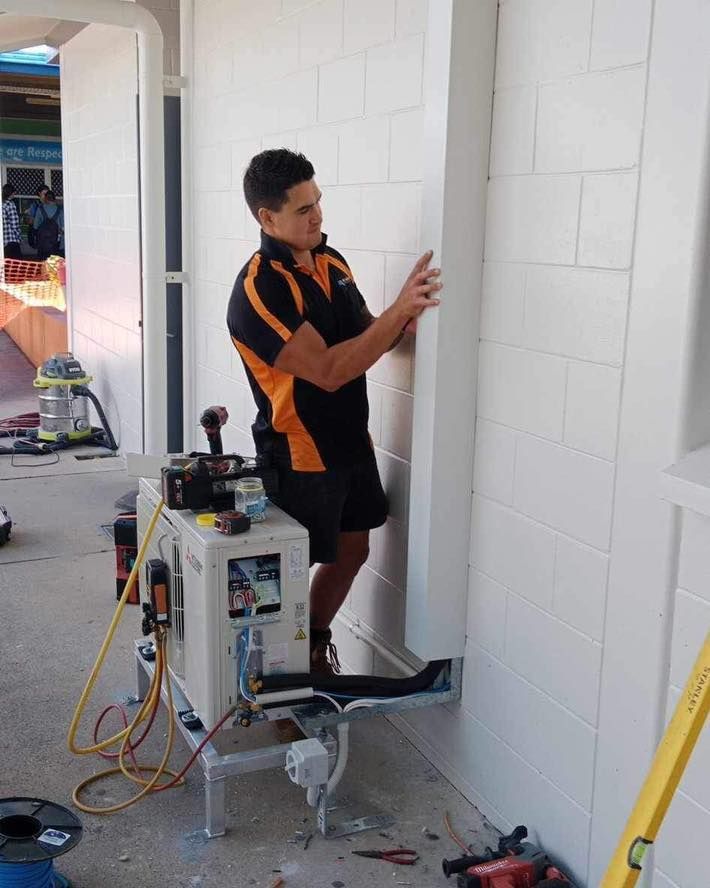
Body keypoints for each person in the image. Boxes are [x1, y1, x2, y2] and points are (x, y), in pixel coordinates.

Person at [227, 149, 441, 674]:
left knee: (352, 552)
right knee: (287, 574)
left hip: (351, 443)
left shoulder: (332, 261)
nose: (318, 216)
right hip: (299, 452)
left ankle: (311, 649)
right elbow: (327, 370)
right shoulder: (258, 290)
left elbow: (367, 331)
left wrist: (408, 324)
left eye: (318, 202)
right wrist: (398, 313)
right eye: (303, 210)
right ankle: (273, 682)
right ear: (267, 218)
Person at [33, 189, 64, 260]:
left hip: (42, 241)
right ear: (54, 199)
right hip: (56, 241)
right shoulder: (60, 210)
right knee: (54, 263)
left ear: (45, 199)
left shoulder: (40, 209)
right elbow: (63, 228)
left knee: (43, 262)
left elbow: (35, 226)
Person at [25, 185, 49, 249]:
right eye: (44, 194)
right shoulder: (34, 205)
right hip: (38, 235)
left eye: (47, 194)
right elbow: (29, 221)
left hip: (48, 236)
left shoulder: (50, 204)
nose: (46, 196)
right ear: (39, 193)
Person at [2, 184, 22, 260]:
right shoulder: (10, 204)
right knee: (17, 266)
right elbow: (14, 224)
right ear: (11, 193)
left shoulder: (2, 204)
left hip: (3, 241)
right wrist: (19, 236)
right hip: (11, 239)